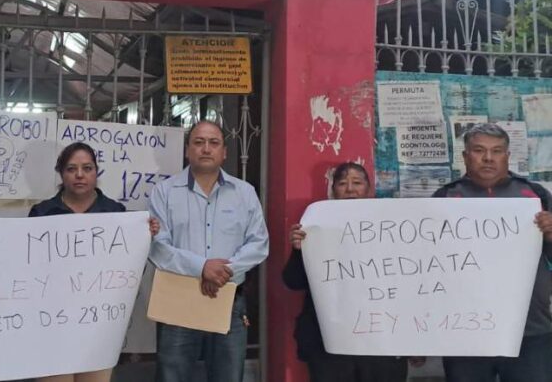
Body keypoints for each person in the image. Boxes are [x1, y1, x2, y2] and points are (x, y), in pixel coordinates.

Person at [148, 120, 269, 382]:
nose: (206, 148)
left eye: (213, 143)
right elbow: (157, 247)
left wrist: (222, 272)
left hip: (228, 301)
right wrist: (202, 268)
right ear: (187, 150)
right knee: (172, 376)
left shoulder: (244, 193)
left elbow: (259, 243)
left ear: (224, 151)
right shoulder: (165, 192)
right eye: (198, 142)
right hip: (178, 301)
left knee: (227, 377)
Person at [28, 141, 160, 382]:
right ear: (61, 173)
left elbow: (130, 270)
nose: (80, 175)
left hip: (98, 327)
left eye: (87, 168)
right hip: (52, 325)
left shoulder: (115, 212)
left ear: (96, 172)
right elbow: (29, 268)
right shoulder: (42, 213)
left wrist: (142, 238)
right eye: (71, 168)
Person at [433, 122, 552, 382]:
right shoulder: (444, 197)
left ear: (508, 157)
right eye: (479, 150)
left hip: (529, 329)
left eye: (497, 151)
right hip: (464, 330)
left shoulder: (536, 195)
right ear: (465, 156)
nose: (488, 158)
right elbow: (428, 265)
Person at [283, 162, 410, 382]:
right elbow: (293, 282)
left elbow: (410, 283)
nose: (350, 189)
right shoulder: (316, 225)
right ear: (333, 191)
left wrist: (415, 339)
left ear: (369, 189)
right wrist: (298, 251)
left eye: (357, 183)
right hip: (332, 341)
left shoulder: (391, 225)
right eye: (342, 183)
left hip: (382, 339)